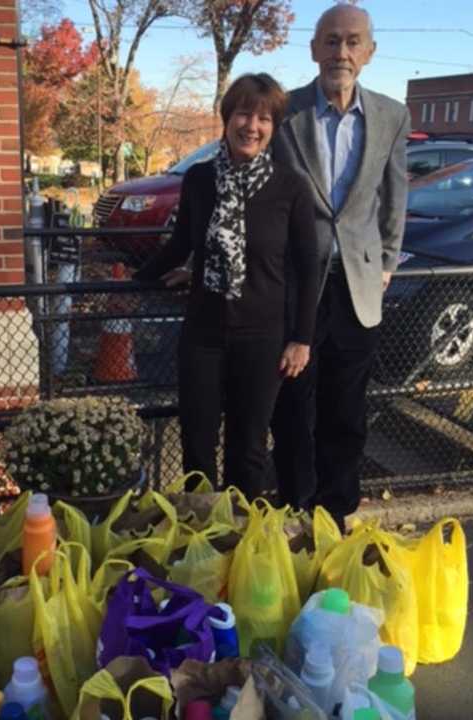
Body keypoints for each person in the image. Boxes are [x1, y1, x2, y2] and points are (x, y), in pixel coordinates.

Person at [134, 73, 319, 500]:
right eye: (243, 113)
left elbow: (308, 268)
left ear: (274, 127)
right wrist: (134, 279)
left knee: (247, 450)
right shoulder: (199, 179)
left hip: (263, 336)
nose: (252, 126)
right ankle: (199, 540)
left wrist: (301, 339)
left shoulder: (290, 186)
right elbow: (182, 244)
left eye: (264, 118)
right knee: (197, 446)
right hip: (203, 333)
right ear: (227, 118)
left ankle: (240, 542)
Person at [269, 5, 411, 530]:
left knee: (346, 413)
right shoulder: (284, 111)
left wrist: (389, 261)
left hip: (358, 287)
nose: (341, 52)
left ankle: (336, 516)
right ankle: (292, 511)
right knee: (292, 410)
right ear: (313, 49)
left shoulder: (393, 116)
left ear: (369, 52)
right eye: (331, 41)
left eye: (353, 41)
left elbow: (395, 197)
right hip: (293, 288)